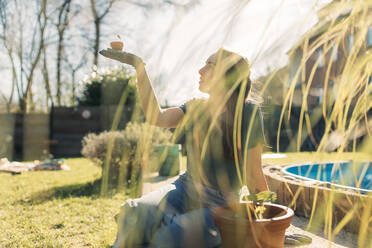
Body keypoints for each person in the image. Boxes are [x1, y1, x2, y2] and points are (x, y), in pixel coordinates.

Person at [99, 47, 268, 248]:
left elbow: (254, 173)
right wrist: (139, 68)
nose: (200, 70)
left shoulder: (248, 112)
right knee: (133, 212)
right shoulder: (196, 107)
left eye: (209, 65)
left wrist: (266, 223)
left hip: (222, 204)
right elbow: (157, 117)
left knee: (169, 236)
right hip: (185, 189)